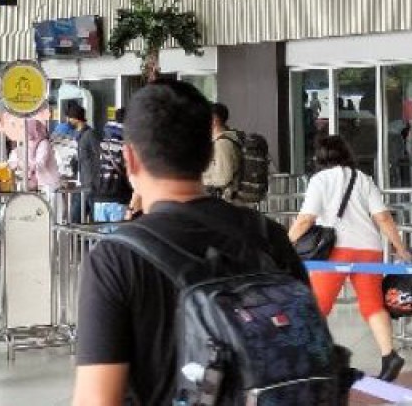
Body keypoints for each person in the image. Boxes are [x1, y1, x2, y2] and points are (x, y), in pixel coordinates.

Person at [72, 81, 307, 406]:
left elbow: (97, 399)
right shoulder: (268, 235)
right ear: (209, 151)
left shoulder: (115, 259)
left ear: (130, 158)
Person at [288, 135, 412, 382]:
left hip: (336, 252)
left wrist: (283, 244)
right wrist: (401, 248)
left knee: (318, 306)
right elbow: (383, 218)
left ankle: (314, 359)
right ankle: (390, 355)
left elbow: (305, 219)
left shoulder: (320, 180)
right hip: (369, 249)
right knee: (372, 305)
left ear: (320, 157)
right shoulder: (364, 179)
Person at [91, 108, 133, 223]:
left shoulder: (103, 143)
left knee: (102, 239)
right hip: (118, 198)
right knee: (118, 239)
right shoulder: (127, 146)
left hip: (99, 199)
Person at [65, 102, 101, 224]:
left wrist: (95, 180)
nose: (68, 120)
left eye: (69, 117)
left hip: (90, 184)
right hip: (80, 183)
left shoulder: (90, 134)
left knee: (92, 219)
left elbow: (99, 156)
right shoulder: (77, 135)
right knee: (75, 219)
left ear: (76, 118)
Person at [203, 102, 243, 201]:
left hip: (226, 200)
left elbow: (223, 178)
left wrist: (201, 180)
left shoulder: (222, 144)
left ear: (214, 120)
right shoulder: (226, 139)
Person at [10, 118, 60, 193]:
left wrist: (23, 165)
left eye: (26, 129)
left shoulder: (44, 143)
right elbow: (20, 156)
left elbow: (40, 164)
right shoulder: (29, 143)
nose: (24, 132)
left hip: (47, 184)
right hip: (35, 184)